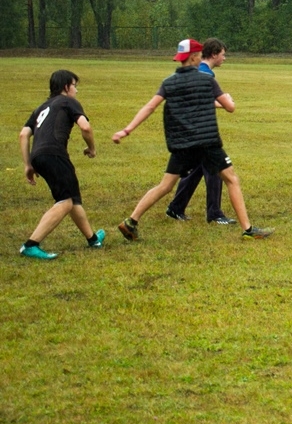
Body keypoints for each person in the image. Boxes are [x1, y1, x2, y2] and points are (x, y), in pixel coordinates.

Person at [112, 38, 273, 240]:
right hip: (207, 142)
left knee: (165, 185)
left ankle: (131, 221)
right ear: (196, 56)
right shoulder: (207, 80)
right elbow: (230, 107)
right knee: (232, 179)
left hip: (182, 144)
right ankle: (248, 230)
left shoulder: (168, 82)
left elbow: (150, 107)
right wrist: (229, 100)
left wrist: (126, 131)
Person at [18, 70, 105, 259]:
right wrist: (92, 149)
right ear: (66, 87)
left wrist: (28, 164)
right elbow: (86, 127)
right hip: (54, 154)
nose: (76, 90)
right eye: (75, 85)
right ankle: (31, 245)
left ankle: (92, 239)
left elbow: (24, 134)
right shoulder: (68, 102)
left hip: (38, 156)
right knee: (65, 202)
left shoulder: (41, 107)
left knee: (72, 198)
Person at [164, 38, 237, 225]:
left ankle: (176, 207)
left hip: (193, 130)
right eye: (223, 54)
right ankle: (215, 213)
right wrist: (224, 101)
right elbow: (199, 101)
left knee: (197, 169)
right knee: (214, 170)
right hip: (200, 132)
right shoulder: (204, 73)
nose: (224, 58)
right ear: (214, 54)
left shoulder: (202, 71)